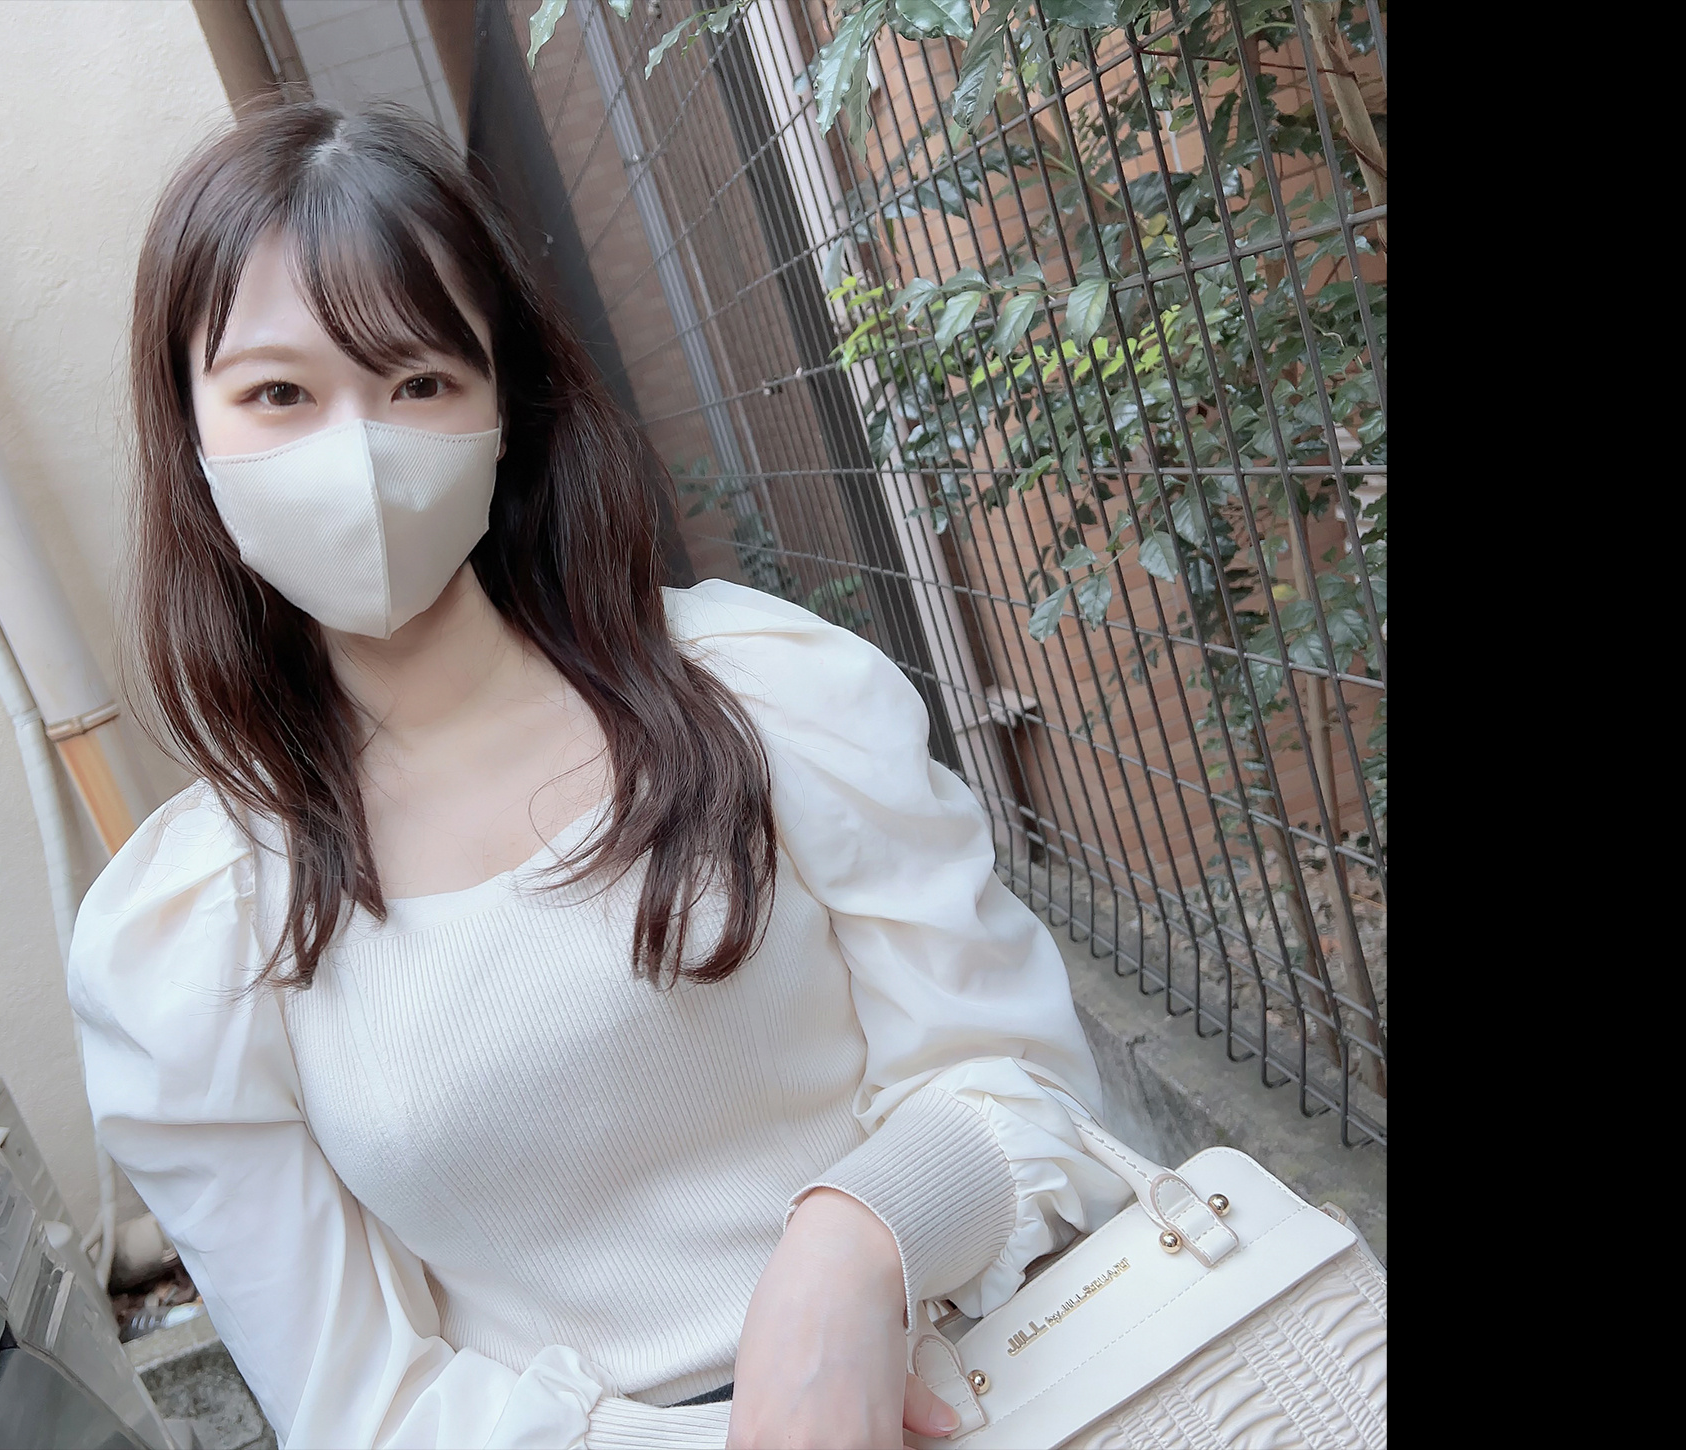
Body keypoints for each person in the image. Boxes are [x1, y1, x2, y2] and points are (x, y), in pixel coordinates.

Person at [69, 101, 1135, 1449]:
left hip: (1004, 1381)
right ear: (189, 430)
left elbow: (1025, 1084)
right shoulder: (186, 937)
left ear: (503, 409)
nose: (357, 451)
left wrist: (854, 1245)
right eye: (279, 393)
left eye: (419, 382)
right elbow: (365, 1406)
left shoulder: (767, 695)